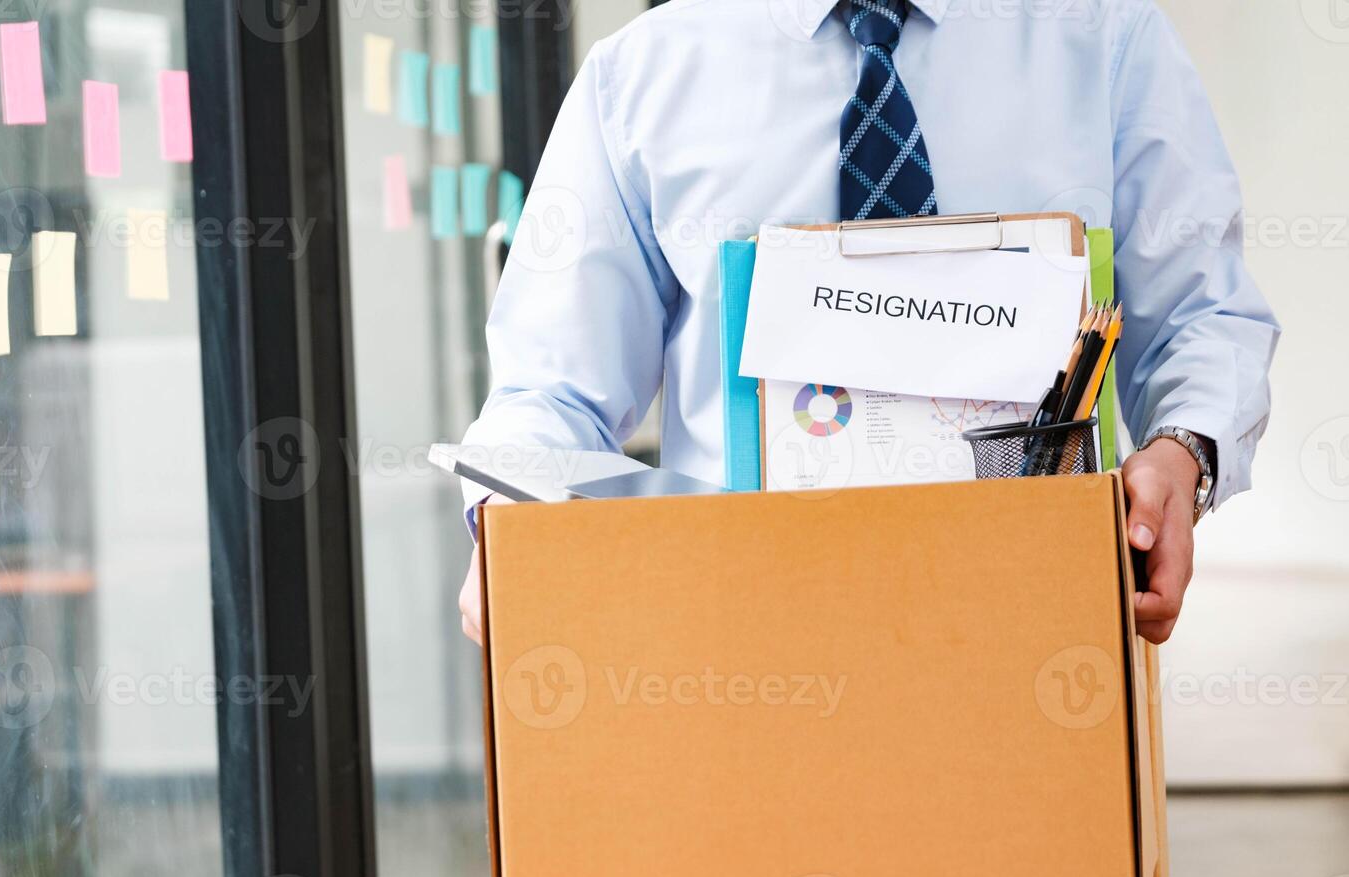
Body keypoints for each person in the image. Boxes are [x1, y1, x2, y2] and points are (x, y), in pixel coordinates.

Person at [457, 0, 1279, 646]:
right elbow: (552, 388)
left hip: (1039, 639)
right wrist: (505, 527)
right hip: (734, 655)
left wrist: (1184, 455)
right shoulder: (639, 78)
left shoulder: (1107, 41)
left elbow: (1202, 318)